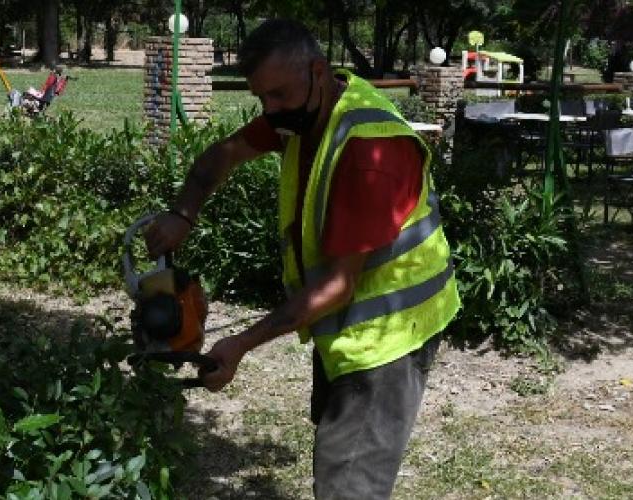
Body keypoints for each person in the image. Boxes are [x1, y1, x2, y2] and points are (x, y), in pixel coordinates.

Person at [143, 19, 459, 500]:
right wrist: (183, 212)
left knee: (348, 485)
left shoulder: (368, 149)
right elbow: (224, 154)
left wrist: (241, 345)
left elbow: (336, 286)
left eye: (279, 95)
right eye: (261, 98)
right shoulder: (304, 113)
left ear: (317, 71)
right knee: (336, 449)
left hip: (387, 338)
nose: (270, 111)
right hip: (347, 328)